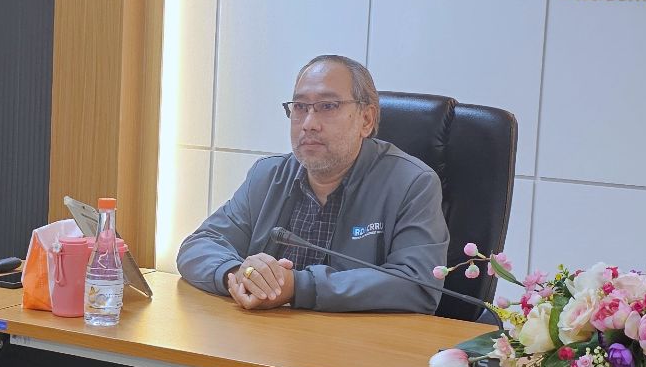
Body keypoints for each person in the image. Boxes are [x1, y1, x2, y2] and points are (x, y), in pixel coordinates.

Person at [177, 55, 447, 313]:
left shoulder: (412, 184)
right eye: (300, 107)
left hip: (356, 341)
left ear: (366, 120)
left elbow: (419, 285)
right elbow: (198, 245)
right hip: (267, 337)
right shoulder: (268, 175)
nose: (309, 123)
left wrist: (297, 287)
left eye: (327, 106)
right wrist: (239, 274)